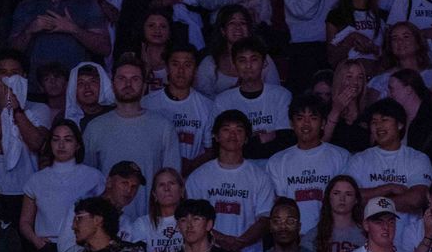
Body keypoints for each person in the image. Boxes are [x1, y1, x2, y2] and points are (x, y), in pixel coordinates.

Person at [83, 57, 180, 221]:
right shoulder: (95, 127)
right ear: (112, 84)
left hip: (150, 224)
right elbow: (88, 182)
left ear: (144, 86)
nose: (128, 84)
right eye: (122, 79)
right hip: (106, 224)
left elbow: (171, 182)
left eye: (134, 79)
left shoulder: (163, 126)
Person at [185, 110, 275, 252]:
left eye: (239, 130)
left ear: (247, 138)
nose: (232, 134)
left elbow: (265, 219)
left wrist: (240, 242)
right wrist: (222, 240)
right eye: (226, 129)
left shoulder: (260, 177)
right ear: (216, 136)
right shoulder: (198, 177)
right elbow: (191, 220)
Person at [0, 50, 53, 223]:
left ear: (23, 76)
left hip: (28, 192)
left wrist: (16, 109)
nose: (8, 79)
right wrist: (2, 107)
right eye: (3, 73)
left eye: (14, 74)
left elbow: (37, 143)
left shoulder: (40, 109)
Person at [20, 118, 105, 252]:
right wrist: (36, 241)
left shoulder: (94, 176)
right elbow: (25, 221)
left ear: (77, 144)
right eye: (56, 139)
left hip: (82, 246)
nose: (61, 145)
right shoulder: (36, 179)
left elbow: (103, 215)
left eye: (68, 139)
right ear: (50, 144)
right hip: (48, 249)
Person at [267, 93, 352, 234]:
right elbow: (280, 206)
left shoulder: (341, 157)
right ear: (291, 123)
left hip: (332, 237)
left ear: (323, 123)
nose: (306, 124)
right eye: (300, 118)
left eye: (313, 118)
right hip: (294, 239)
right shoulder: (277, 161)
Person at [345, 97, 432, 231]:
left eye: (384, 120)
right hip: (369, 239)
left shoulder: (418, 158)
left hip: (409, 238)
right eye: (374, 122)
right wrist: (388, 188)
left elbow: (416, 199)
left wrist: (370, 201)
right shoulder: (359, 159)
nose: (378, 126)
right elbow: (350, 198)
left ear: (400, 124)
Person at [140, 43, 216, 176]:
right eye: (175, 64)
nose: (181, 71)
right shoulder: (148, 103)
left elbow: (211, 150)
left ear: (195, 69)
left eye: (187, 65)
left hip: (193, 178)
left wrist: (191, 165)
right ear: (167, 68)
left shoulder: (207, 106)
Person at [213, 37, 294, 161]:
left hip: (278, 166)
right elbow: (223, 146)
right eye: (242, 60)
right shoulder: (223, 101)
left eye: (254, 60)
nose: (248, 66)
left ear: (264, 63)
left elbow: (285, 140)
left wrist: (247, 141)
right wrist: (266, 137)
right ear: (234, 64)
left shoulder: (281, 95)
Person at [9, 0, 110, 71]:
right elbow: (11, 53)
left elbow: (105, 48)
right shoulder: (26, 6)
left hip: (75, 87)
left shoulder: (88, 5)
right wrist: (29, 30)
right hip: (36, 87)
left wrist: (74, 29)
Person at [244, 197, 330, 252]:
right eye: (277, 221)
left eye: (290, 221)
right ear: (270, 226)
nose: (283, 227)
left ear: (299, 226)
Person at [123, 167, 185, 252]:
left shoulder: (193, 221)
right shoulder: (142, 223)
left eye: (171, 183)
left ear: (181, 191)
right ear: (154, 194)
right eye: (161, 185)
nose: (167, 188)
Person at [303, 174, 366, 252]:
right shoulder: (312, 237)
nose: (342, 198)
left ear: (356, 200)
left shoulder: (367, 235)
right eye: (336, 193)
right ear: (329, 197)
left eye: (348, 194)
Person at [325, 0, 385, 69]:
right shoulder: (336, 15)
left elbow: (391, 58)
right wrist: (350, 40)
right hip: (349, 76)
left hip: (377, 76)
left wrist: (374, 49)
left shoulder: (383, 16)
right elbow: (332, 59)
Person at [324, 58, 378, 152]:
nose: (355, 82)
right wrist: (336, 111)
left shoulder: (368, 114)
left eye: (360, 77)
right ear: (339, 80)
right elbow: (321, 144)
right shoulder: (325, 110)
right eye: (349, 77)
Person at [64, 61, 115, 129]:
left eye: (92, 81)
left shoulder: (116, 114)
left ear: (102, 85)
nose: (87, 87)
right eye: (81, 83)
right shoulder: (66, 121)